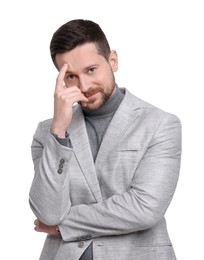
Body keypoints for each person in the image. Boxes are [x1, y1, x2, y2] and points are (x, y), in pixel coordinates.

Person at [29, 19, 182, 260]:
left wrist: (64, 226)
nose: (85, 86)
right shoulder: (46, 133)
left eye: (91, 70)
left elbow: (144, 208)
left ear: (113, 61)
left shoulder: (160, 124)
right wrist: (59, 129)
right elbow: (48, 213)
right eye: (70, 76)